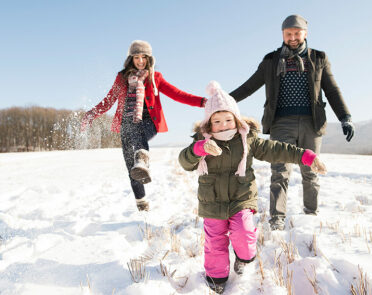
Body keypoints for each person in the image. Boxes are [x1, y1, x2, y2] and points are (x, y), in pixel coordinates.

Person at [178, 81, 326, 294]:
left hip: (241, 197)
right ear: (208, 124)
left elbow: (276, 149)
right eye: (217, 121)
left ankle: (244, 257)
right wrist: (199, 149)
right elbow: (185, 162)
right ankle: (216, 279)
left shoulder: (247, 139)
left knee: (244, 232)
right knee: (215, 243)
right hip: (212, 201)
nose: (223, 125)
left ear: (236, 119)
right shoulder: (202, 141)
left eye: (228, 119)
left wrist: (306, 156)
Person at [229, 15, 355, 230]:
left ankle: (311, 213)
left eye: (297, 33)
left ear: (305, 33)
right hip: (281, 123)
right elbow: (249, 87)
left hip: (311, 123)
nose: (293, 38)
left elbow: (332, 90)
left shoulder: (318, 58)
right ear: (283, 35)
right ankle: (277, 219)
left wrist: (345, 117)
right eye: (289, 34)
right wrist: (223, 101)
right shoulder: (270, 61)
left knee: (311, 170)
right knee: (280, 171)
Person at [81, 40, 206, 211]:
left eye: (144, 57)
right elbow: (109, 100)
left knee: (137, 136)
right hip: (126, 123)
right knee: (131, 167)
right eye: (136, 57)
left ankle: (142, 159)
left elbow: (177, 94)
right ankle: (141, 202)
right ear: (130, 59)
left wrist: (202, 102)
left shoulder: (155, 77)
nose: (140, 61)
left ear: (149, 59)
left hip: (149, 122)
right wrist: (91, 114)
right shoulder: (122, 78)